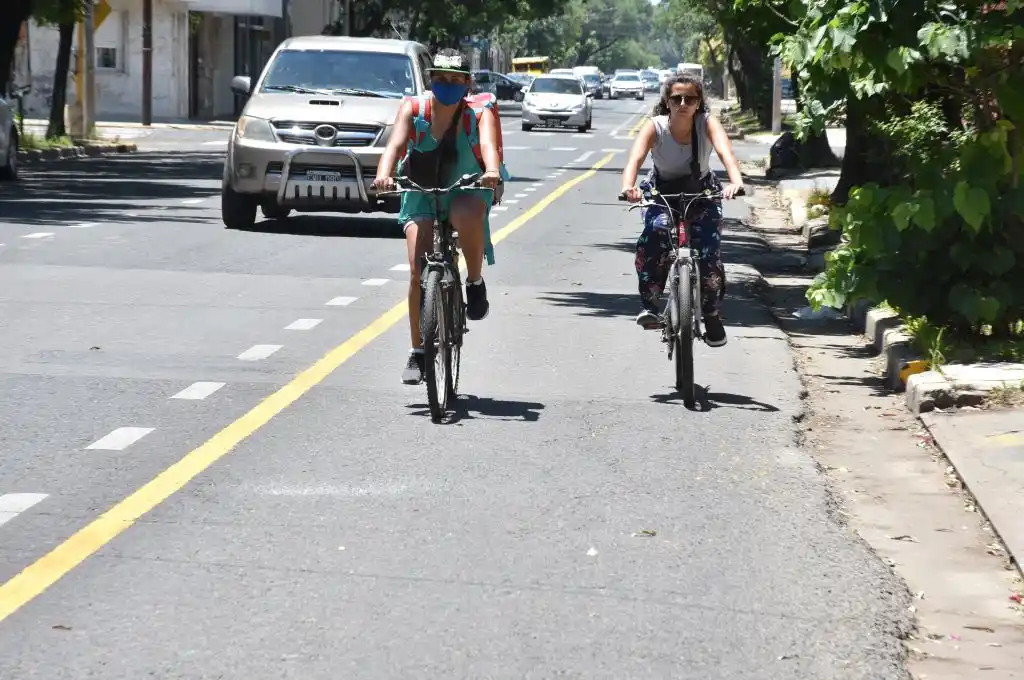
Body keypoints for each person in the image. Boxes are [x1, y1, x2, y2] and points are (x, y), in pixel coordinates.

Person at [372, 48, 503, 384]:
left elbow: (488, 146)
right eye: (440, 79)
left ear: (467, 83)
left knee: (469, 214)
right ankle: (418, 351)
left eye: (455, 80)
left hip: (467, 183)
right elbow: (395, 145)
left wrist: (490, 171)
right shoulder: (413, 108)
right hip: (419, 186)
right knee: (417, 269)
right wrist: (384, 174)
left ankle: (474, 281)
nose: (447, 85)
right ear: (430, 81)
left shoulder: (478, 112)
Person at [619, 74, 745, 348]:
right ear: (667, 102)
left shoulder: (707, 123)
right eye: (677, 98)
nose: (683, 103)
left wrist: (735, 181)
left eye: (690, 98)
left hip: (702, 192)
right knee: (655, 233)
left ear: (699, 102)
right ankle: (651, 305)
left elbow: (726, 154)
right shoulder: (655, 127)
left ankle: (711, 314)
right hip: (661, 191)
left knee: (709, 252)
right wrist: (629, 187)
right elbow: (635, 158)